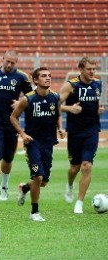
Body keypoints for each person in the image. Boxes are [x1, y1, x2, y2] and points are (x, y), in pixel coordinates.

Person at [10, 67, 64, 221]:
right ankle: (34, 212)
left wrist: (60, 128)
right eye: (43, 76)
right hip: (32, 142)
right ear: (35, 80)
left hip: (48, 143)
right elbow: (13, 117)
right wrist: (22, 134)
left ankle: (25, 187)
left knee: (43, 182)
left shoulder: (55, 97)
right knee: (38, 177)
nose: (48, 78)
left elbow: (58, 114)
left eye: (49, 75)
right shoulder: (28, 99)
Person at [0, 50, 32, 201]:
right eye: (7, 61)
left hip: (12, 121)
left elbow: (30, 96)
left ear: (16, 63)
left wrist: (20, 102)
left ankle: (4, 187)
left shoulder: (22, 77)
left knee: (8, 158)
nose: (9, 65)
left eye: (12, 63)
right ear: (2, 59)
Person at [59, 57, 104, 214]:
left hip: (92, 131)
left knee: (87, 166)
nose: (92, 72)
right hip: (75, 132)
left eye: (94, 68)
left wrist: (99, 109)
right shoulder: (71, 86)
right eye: (89, 69)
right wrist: (69, 109)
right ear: (81, 69)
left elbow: (96, 103)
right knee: (74, 168)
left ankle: (79, 202)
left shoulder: (98, 84)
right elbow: (55, 104)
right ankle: (70, 185)